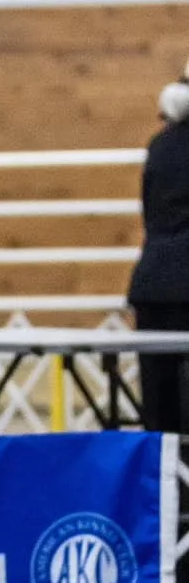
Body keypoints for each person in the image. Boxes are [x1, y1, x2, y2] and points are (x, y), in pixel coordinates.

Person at [127, 65, 189, 439]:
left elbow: (152, 216)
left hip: (154, 286)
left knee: (160, 414)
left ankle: (166, 492)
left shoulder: (160, 145)